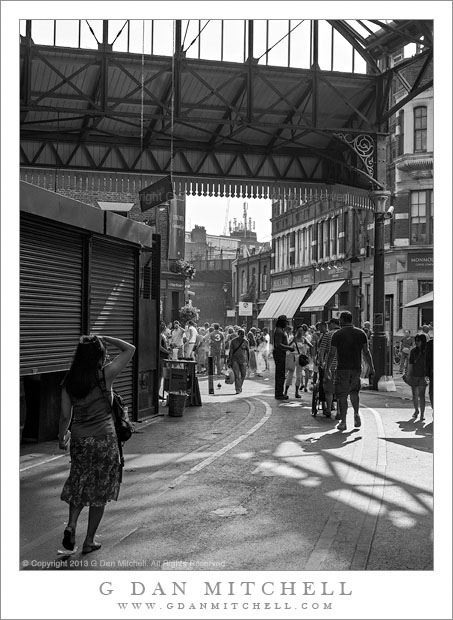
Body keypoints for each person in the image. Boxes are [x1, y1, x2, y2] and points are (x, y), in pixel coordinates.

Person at [58, 334, 135, 554]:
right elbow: (130, 349)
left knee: (80, 482)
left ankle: (72, 524)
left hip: (80, 441)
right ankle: (89, 541)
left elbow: (65, 416)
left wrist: (61, 437)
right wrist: (103, 337)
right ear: (99, 355)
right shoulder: (104, 375)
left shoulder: (69, 381)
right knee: (99, 491)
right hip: (104, 439)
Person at [325, 311, 374, 432]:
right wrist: (372, 367)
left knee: (342, 395)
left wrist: (327, 368)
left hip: (342, 368)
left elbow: (332, 353)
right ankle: (356, 414)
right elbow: (366, 352)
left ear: (342, 320)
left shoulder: (337, 334)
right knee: (354, 392)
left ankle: (343, 422)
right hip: (357, 368)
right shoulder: (361, 333)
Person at [318, 317, 340, 417]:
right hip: (342, 366)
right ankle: (339, 412)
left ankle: (329, 409)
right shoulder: (343, 334)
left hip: (330, 366)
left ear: (332, 324)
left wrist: (321, 362)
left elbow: (322, 351)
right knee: (340, 389)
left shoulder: (327, 335)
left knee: (329, 389)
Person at [284, 324, 311, 398]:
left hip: (300, 359)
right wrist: (292, 342)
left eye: (302, 331)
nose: (300, 332)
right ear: (296, 331)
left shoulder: (304, 339)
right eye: (299, 331)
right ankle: (285, 391)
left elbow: (311, 346)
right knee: (290, 375)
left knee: (299, 376)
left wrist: (307, 343)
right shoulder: (292, 338)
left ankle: (296, 392)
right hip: (293, 357)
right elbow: (287, 347)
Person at [273, 315, 295, 400]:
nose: (286, 323)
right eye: (285, 322)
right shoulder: (279, 331)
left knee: (281, 374)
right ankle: (279, 393)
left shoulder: (280, 330)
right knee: (280, 374)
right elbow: (278, 344)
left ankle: (279, 392)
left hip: (281, 354)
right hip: (279, 354)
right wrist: (289, 347)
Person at [407, 333, 428, 422]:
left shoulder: (427, 351)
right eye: (416, 340)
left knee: (421, 395)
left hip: (423, 375)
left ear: (423, 341)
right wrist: (409, 374)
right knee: (415, 395)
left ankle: (422, 414)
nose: (416, 342)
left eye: (418, 341)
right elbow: (410, 364)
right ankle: (416, 410)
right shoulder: (413, 351)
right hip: (415, 375)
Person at [228, 328, 250, 394]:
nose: (242, 335)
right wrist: (229, 361)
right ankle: (237, 389)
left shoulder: (246, 342)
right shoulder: (233, 341)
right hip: (235, 360)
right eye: (241, 334)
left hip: (243, 360)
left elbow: (248, 352)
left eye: (243, 334)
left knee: (243, 375)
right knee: (236, 375)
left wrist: (248, 361)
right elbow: (231, 352)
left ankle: (239, 386)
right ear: (238, 334)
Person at [159, 322, 169, 399]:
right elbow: (159, 346)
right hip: (161, 357)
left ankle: (158, 392)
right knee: (160, 376)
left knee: (161, 376)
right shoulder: (160, 335)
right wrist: (167, 351)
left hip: (163, 357)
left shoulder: (162, 335)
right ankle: (157, 393)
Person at [425, 336, 433, 410]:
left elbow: (427, 359)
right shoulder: (430, 344)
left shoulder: (430, 344)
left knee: (432, 390)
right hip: (432, 372)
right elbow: (427, 360)